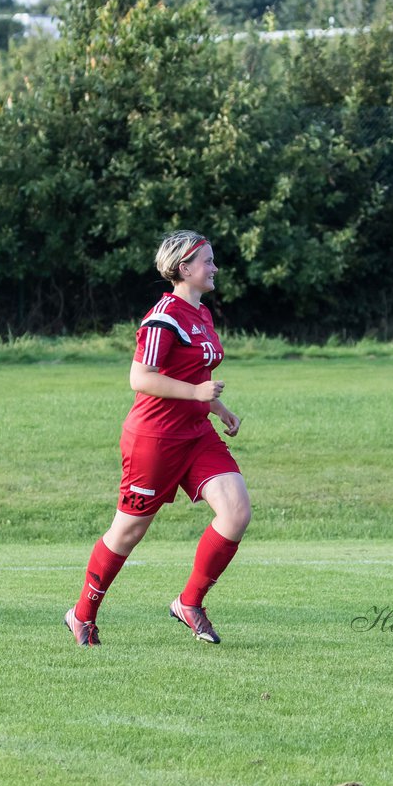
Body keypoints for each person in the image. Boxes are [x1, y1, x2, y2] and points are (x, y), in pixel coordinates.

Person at [64, 230, 252, 646]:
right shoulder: (163, 316)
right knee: (128, 532)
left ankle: (189, 603)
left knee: (236, 511)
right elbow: (140, 377)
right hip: (155, 438)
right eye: (208, 261)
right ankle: (82, 614)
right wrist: (197, 394)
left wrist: (217, 408)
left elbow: (193, 374)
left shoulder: (201, 313)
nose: (215, 268)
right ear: (184, 268)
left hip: (196, 433)